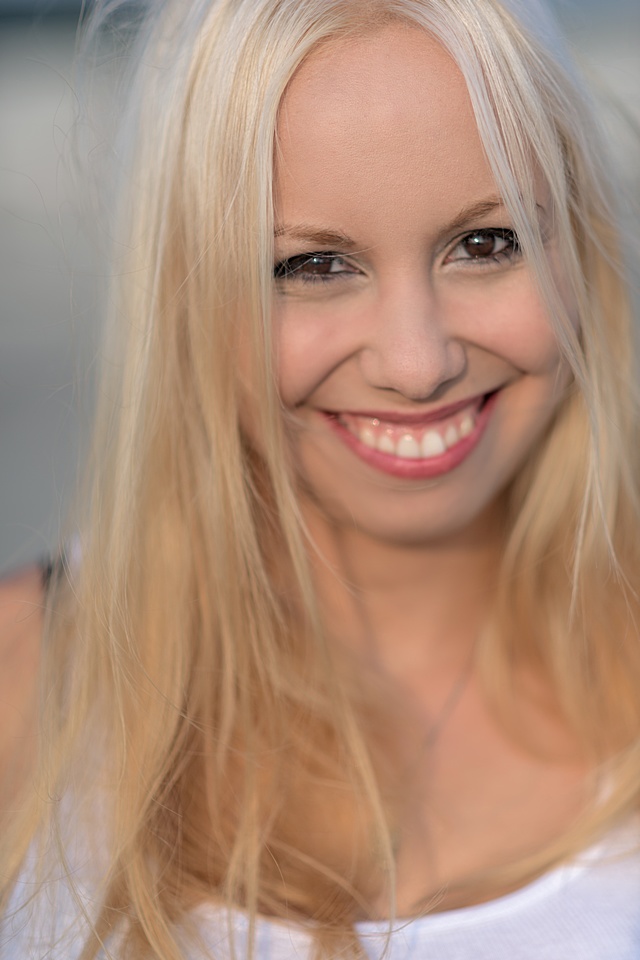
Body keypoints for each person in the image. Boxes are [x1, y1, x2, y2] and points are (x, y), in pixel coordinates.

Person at [1, 0, 639, 956]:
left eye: (486, 243)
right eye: (313, 264)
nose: (417, 364)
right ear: (184, 293)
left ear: (581, 248)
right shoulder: (21, 683)